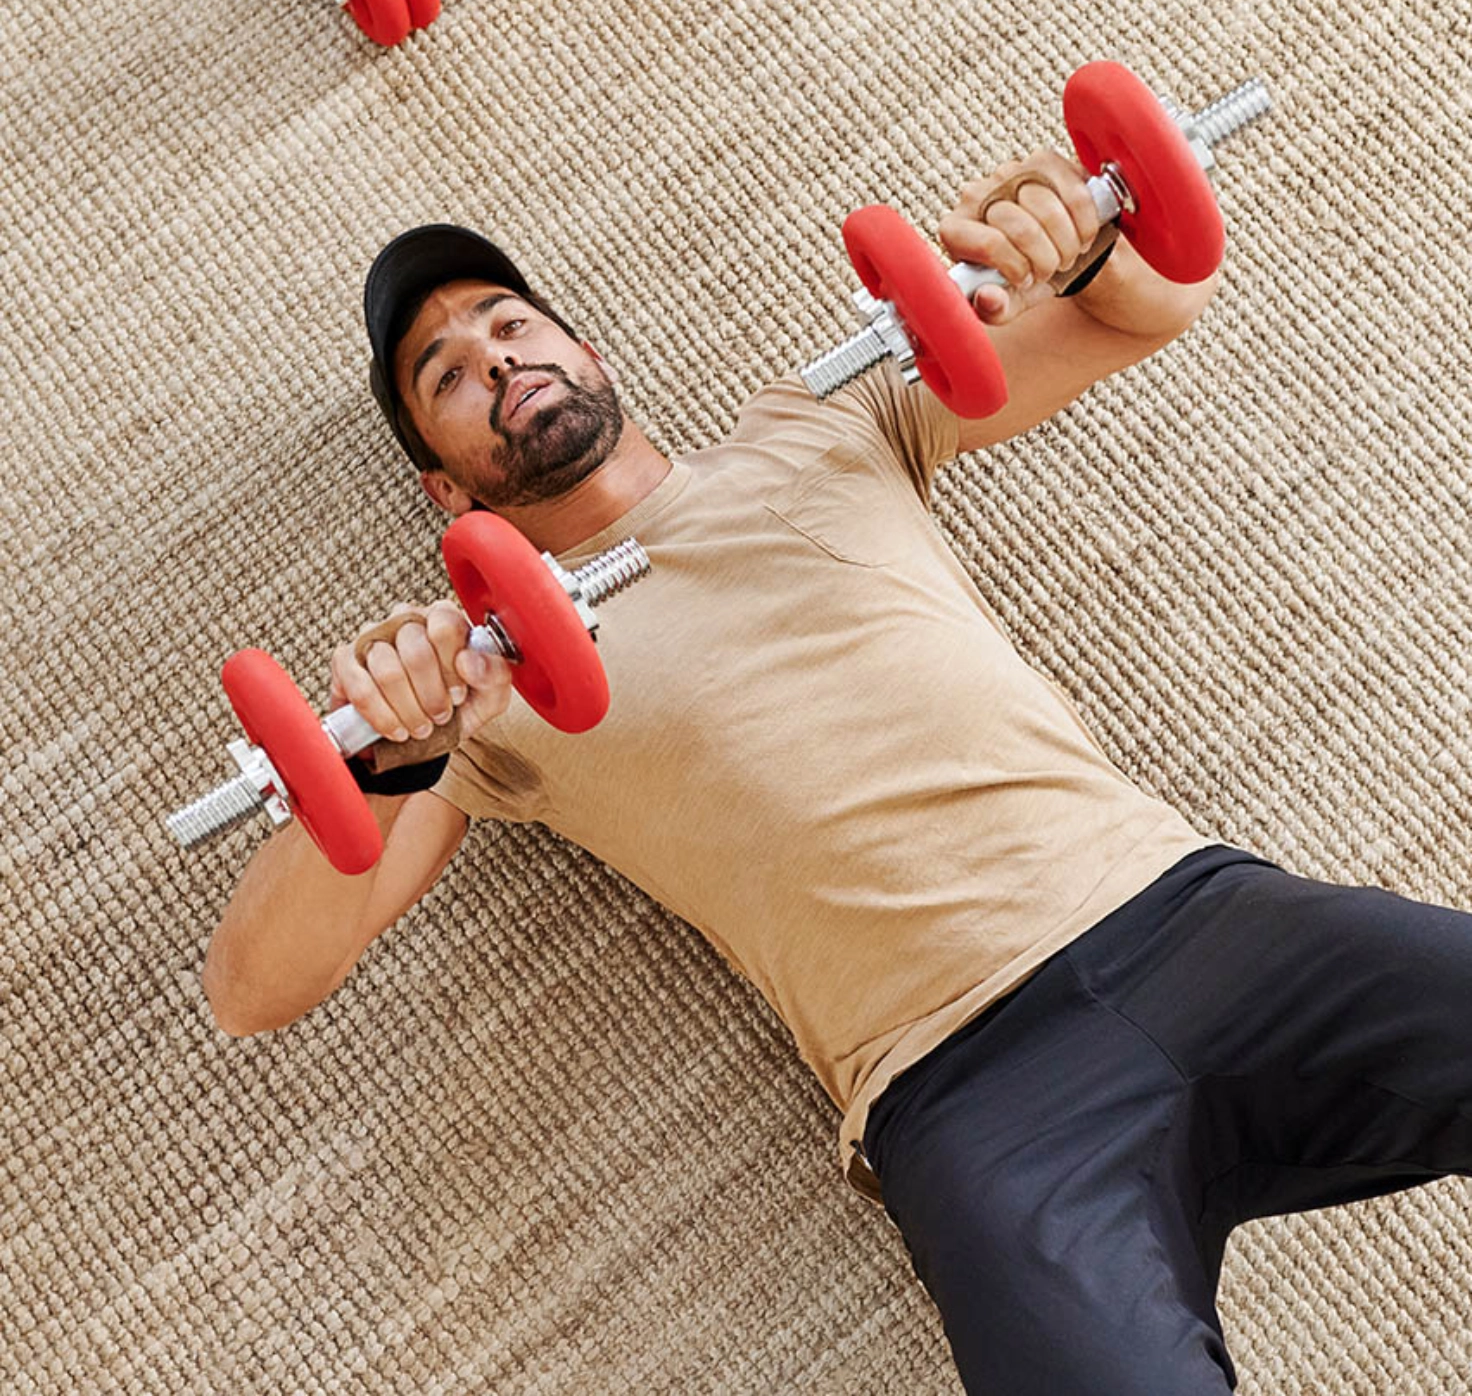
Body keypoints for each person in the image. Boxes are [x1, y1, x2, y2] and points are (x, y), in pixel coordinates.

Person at [202, 150, 1472, 1394]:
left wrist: (1084, 239)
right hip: (970, 1093)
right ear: (441, 481)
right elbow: (257, 988)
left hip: (1201, 925)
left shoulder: (823, 424)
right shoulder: (474, 695)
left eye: (510, 325)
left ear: (588, 356)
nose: (496, 361)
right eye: (450, 376)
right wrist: (381, 758)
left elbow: (1141, 309)